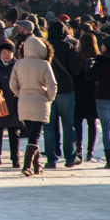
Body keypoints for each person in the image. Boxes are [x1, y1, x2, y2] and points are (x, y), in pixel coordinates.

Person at [10, 35, 57, 176]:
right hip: (39, 101)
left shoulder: (18, 63)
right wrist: (49, 98)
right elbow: (52, 85)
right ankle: (27, 166)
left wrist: (22, 94)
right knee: (35, 136)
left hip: (23, 101)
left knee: (31, 132)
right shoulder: (44, 64)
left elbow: (12, 84)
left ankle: (37, 166)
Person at [45, 21, 82, 168]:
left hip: (46, 90)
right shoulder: (67, 47)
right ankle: (70, 157)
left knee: (48, 127)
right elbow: (76, 69)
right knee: (68, 125)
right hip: (65, 89)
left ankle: (51, 159)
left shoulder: (43, 46)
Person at [85, 33, 110, 169]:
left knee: (106, 129)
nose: (101, 46)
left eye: (103, 44)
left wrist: (89, 65)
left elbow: (89, 76)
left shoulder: (100, 61)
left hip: (103, 96)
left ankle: (109, 159)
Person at [75, 32, 99, 162]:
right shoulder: (97, 57)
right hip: (93, 92)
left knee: (77, 121)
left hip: (78, 91)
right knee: (92, 122)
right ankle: (90, 150)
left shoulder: (77, 56)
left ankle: (79, 148)